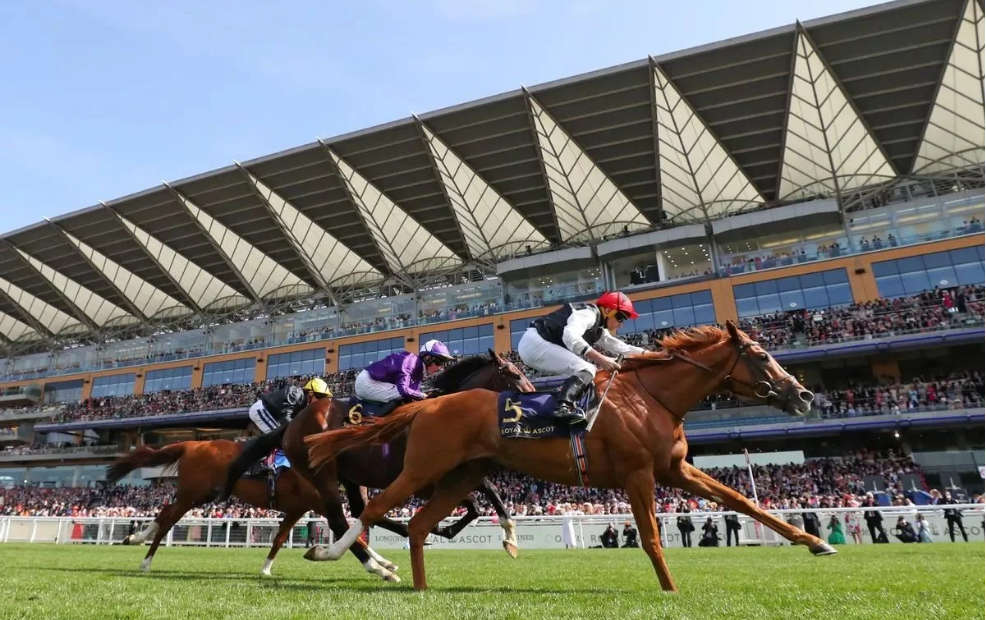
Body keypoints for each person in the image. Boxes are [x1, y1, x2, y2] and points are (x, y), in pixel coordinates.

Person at [517, 291, 645, 423]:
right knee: (587, 368)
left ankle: (569, 402)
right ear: (607, 310)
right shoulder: (588, 314)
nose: (621, 324)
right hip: (534, 343)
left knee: (587, 369)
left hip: (537, 344)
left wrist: (654, 355)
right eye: (621, 318)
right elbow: (570, 336)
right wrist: (601, 358)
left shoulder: (599, 329)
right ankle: (561, 408)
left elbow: (622, 348)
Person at [354, 340, 454, 417]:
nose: (440, 367)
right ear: (428, 359)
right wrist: (424, 395)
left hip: (376, 381)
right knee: (403, 396)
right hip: (367, 381)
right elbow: (404, 390)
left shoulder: (419, 370)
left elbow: (416, 393)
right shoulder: (409, 363)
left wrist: (426, 395)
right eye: (438, 363)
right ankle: (373, 424)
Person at [248, 377, 331, 436]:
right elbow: (286, 417)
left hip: (270, 413)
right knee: (281, 437)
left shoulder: (305, 404)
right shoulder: (295, 394)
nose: (320, 401)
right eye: (319, 396)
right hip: (261, 409)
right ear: (311, 393)